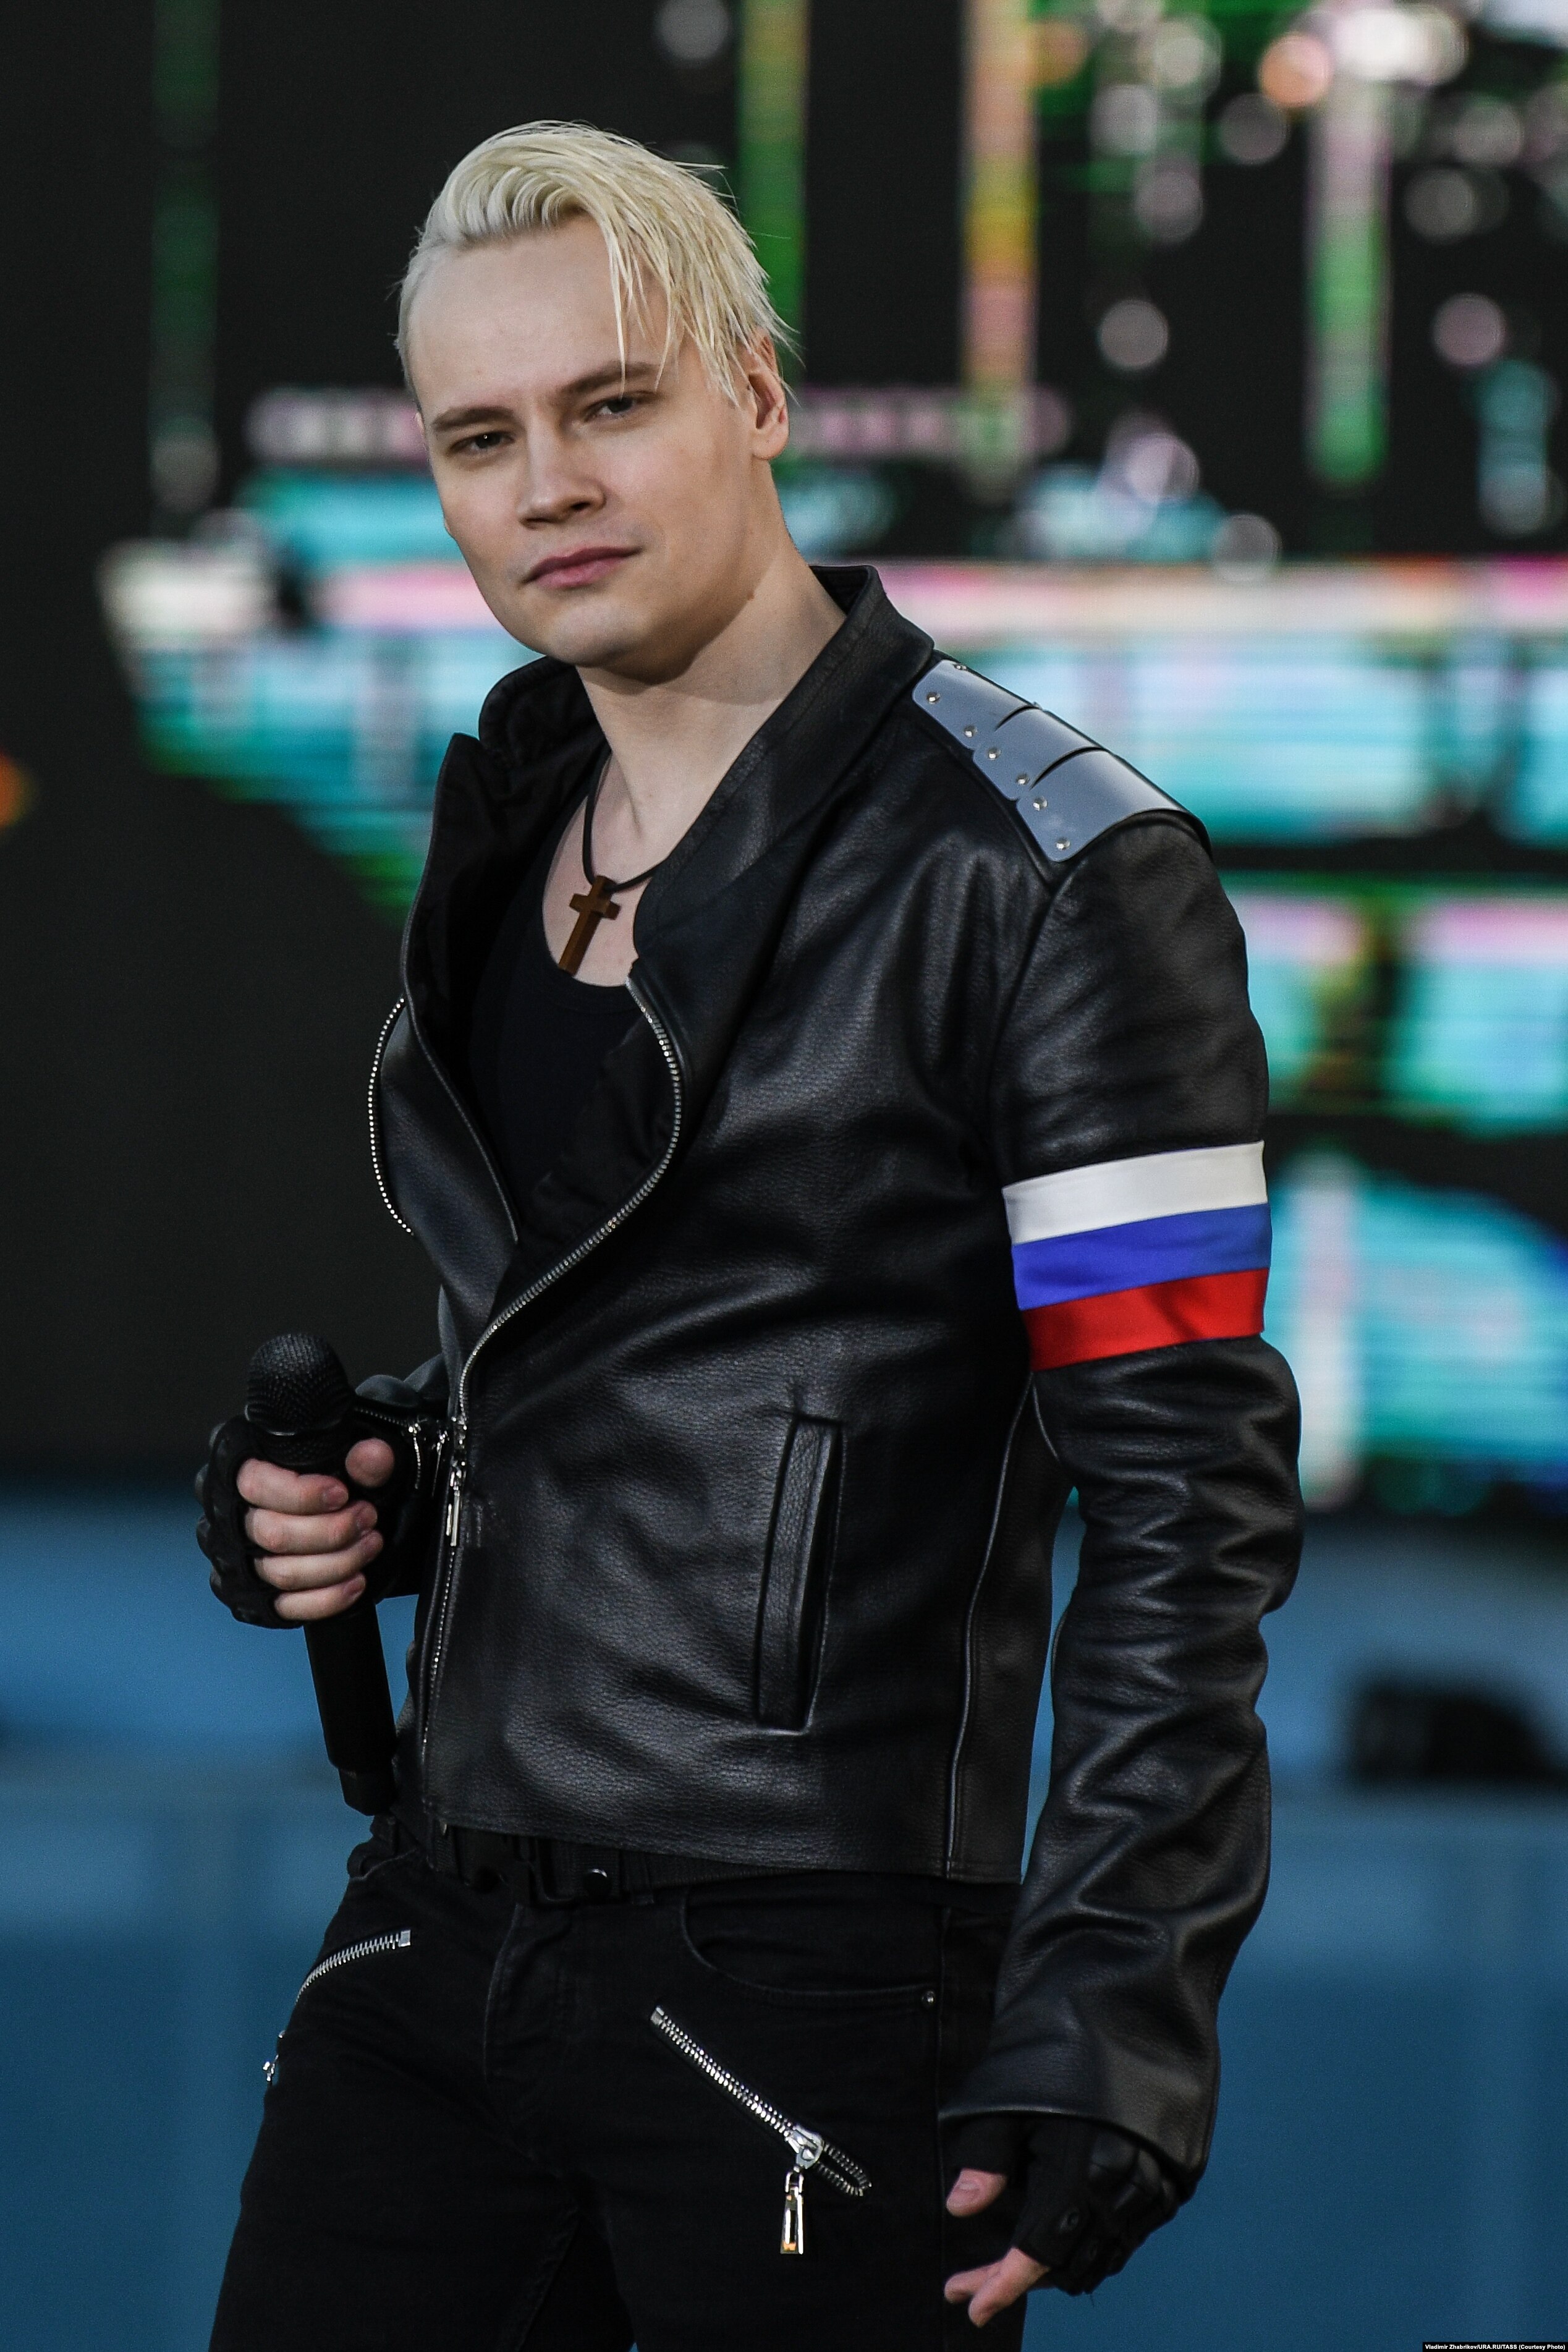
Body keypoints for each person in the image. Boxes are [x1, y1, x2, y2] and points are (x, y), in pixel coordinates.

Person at [197, 122, 1302, 2352]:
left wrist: (1115, 2008)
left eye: (610, 404)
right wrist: (391, 1476)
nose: (549, 486)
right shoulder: (512, 822)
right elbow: (626, 1334)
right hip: (434, 1928)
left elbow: (1186, 1501)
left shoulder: (1055, 872)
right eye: (480, 438)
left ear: (759, 395)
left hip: (812, 1984)